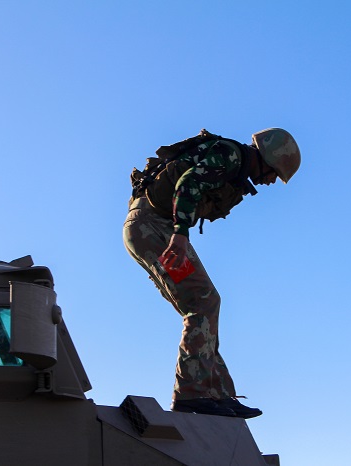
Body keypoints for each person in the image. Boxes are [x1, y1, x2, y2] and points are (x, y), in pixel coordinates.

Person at [123, 128, 300, 418]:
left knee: (204, 310)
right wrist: (180, 234)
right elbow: (187, 182)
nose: (270, 182)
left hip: (146, 228)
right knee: (204, 301)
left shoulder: (233, 164)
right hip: (154, 228)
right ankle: (192, 395)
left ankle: (218, 395)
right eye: (274, 173)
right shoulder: (230, 155)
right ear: (268, 159)